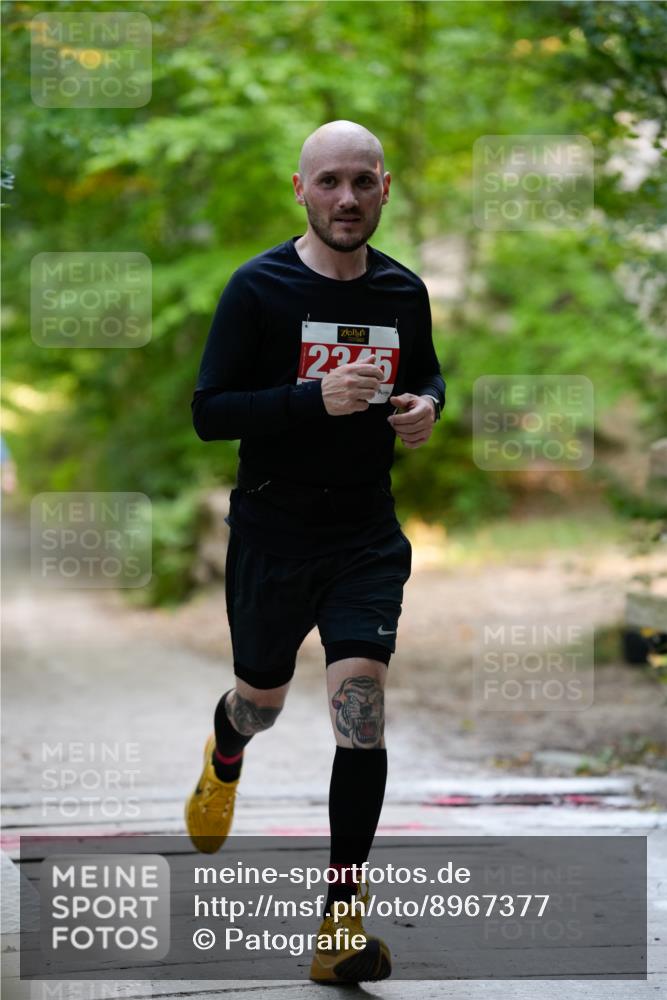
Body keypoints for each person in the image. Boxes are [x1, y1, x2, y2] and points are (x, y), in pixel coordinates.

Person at [186, 119, 445, 984]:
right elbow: (210, 412)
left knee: (359, 713)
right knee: (260, 701)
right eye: (328, 181)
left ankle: (338, 925)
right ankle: (226, 751)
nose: (346, 198)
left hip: (364, 536)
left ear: (384, 188)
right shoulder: (257, 288)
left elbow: (427, 371)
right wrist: (310, 398)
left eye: (363, 181)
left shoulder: (402, 291)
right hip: (272, 533)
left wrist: (426, 406)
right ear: (300, 189)